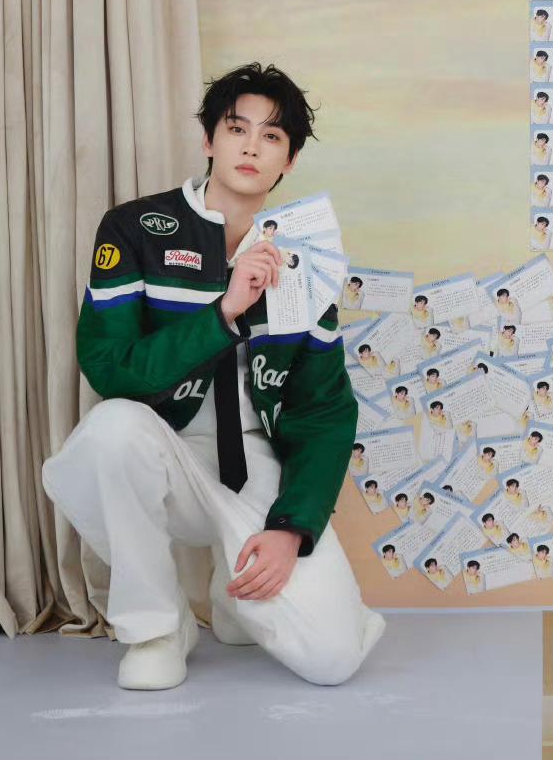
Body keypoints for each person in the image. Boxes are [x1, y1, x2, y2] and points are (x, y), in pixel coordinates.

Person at [41, 63, 384, 690]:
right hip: (162, 452)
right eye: (236, 128)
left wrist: (290, 529)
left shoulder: (306, 256)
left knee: (333, 658)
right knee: (110, 431)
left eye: (272, 136)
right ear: (208, 140)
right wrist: (223, 313)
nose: (251, 146)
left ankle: (234, 594)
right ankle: (157, 628)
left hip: (255, 463)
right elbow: (111, 369)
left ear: (289, 160)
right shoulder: (136, 228)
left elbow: (323, 411)